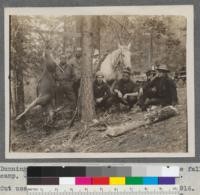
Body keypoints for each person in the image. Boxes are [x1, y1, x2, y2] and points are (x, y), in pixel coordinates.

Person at [56, 48, 76, 114]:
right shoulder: (57, 67)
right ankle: (59, 112)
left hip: (68, 84)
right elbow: (54, 77)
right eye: (62, 58)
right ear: (60, 59)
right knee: (59, 99)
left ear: (66, 59)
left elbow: (74, 76)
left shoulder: (69, 67)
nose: (63, 59)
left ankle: (72, 110)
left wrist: (71, 84)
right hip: (60, 84)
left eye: (64, 58)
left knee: (72, 98)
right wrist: (57, 83)